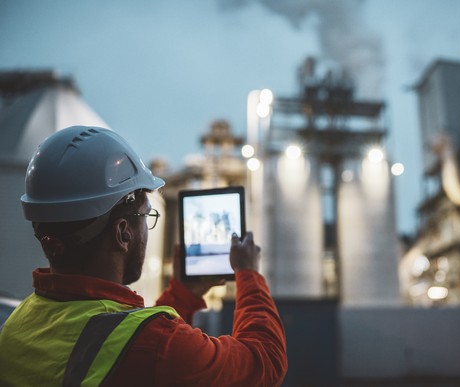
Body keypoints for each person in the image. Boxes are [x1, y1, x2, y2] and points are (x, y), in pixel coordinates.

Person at [0, 126, 287, 386]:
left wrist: (183, 294)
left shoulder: (18, 323)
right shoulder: (158, 344)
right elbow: (264, 361)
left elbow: (128, 340)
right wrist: (249, 274)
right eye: (146, 215)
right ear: (123, 232)